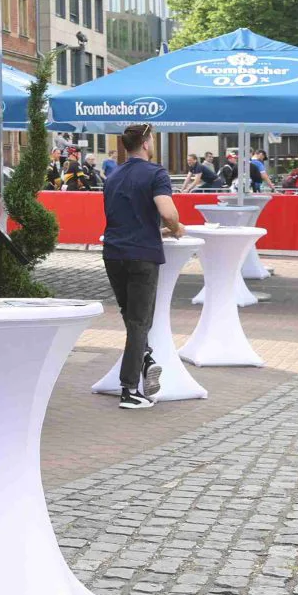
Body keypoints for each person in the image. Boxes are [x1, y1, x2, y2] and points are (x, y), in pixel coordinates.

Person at [99, 121, 185, 410]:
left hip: (113, 252)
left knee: (130, 316)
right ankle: (129, 389)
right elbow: (167, 211)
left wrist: (157, 230)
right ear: (146, 143)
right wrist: (176, 227)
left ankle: (145, 357)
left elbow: (126, 217)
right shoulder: (156, 173)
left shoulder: (112, 175)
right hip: (142, 255)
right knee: (139, 321)